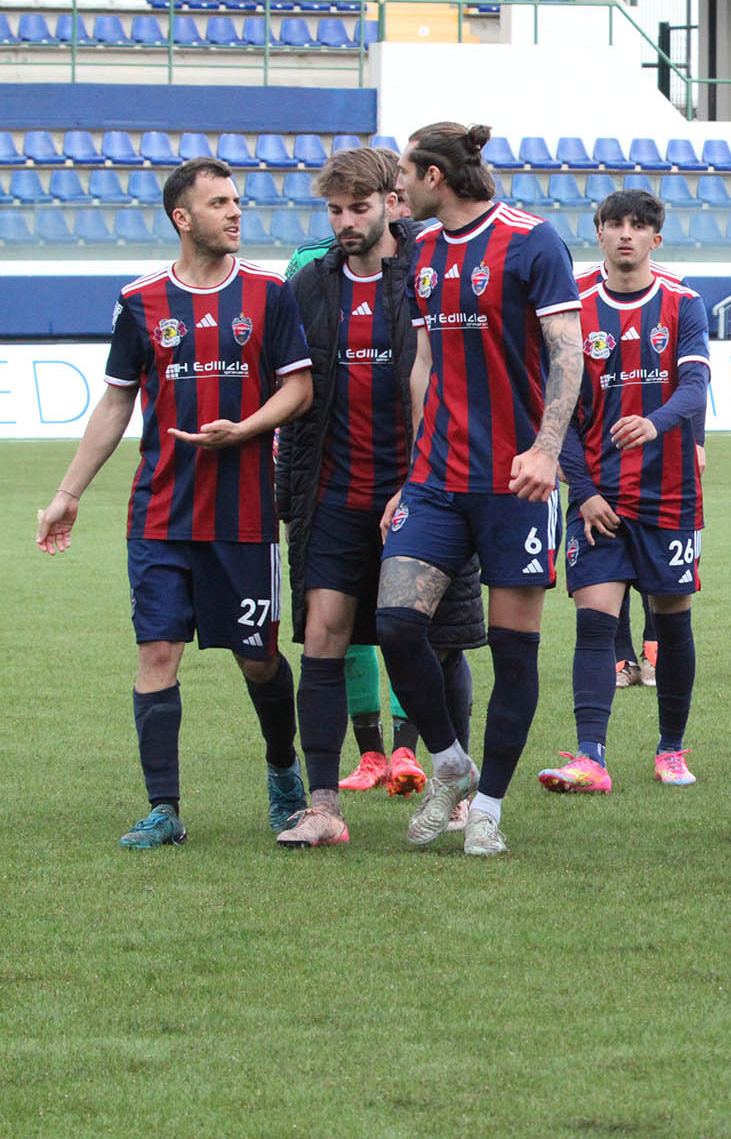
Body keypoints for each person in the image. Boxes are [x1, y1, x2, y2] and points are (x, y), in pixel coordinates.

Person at [36, 157, 314, 848]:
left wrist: (244, 430)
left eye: (237, 200)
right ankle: (164, 808)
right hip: (159, 515)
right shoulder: (141, 302)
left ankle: (284, 771)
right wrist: (68, 493)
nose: (235, 211)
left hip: (243, 516)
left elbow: (299, 388)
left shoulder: (269, 293)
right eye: (219, 203)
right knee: (157, 654)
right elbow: (116, 401)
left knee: (258, 659)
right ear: (182, 218)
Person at [373, 121, 583, 857]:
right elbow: (424, 363)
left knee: (513, 651)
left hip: (514, 484)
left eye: (404, 173)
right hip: (436, 479)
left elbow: (569, 353)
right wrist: (410, 472)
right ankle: (450, 763)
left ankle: (488, 805)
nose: (397, 188)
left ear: (434, 176)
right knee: (396, 624)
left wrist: (546, 450)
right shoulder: (422, 249)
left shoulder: (532, 241)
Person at [272, 147, 486, 847]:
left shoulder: (428, 272)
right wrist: (287, 496)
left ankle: (457, 786)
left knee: (434, 639)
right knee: (324, 638)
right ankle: (324, 807)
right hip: (334, 494)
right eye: (335, 210)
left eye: (358, 208)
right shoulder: (309, 287)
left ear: (393, 203)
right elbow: (294, 397)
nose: (345, 223)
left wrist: (430, 478)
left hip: (425, 491)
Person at [542, 189, 709, 793]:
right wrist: (584, 491)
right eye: (615, 224)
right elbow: (558, 410)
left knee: (672, 622)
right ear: (600, 233)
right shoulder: (575, 308)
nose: (626, 234)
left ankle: (671, 749)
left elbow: (694, 389)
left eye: (639, 226)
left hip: (669, 494)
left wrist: (655, 423)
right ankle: (591, 757)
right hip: (599, 500)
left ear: (655, 239)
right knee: (594, 623)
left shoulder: (683, 304)